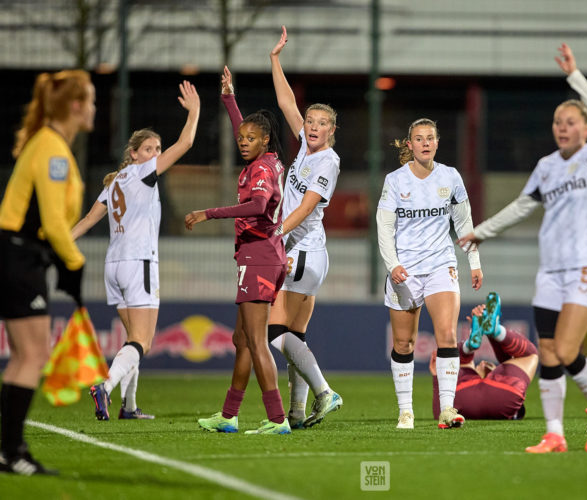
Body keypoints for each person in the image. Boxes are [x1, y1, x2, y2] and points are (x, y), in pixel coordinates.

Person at [457, 43, 587, 452]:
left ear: (584, 129)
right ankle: (555, 434)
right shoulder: (547, 166)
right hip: (551, 271)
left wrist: (575, 77)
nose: (562, 128)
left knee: (566, 349)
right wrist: (482, 231)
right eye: (556, 122)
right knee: (547, 352)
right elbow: (522, 206)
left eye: (570, 122)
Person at [197, 29, 342, 434]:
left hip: (301, 250)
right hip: (298, 250)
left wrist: (275, 232)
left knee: (272, 335)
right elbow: (285, 101)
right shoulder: (301, 149)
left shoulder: (327, 162)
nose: (312, 127)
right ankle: (294, 412)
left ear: (332, 131)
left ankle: (323, 392)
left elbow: (309, 206)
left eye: (321, 123)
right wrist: (274, 59)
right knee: (289, 336)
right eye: (310, 121)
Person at [70, 81, 200, 421]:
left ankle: (129, 408)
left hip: (114, 265)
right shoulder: (143, 174)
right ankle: (105, 386)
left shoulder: (115, 181)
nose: (156, 153)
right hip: (139, 262)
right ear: (134, 154)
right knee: (143, 342)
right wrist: (195, 111)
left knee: (132, 339)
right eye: (149, 149)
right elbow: (186, 142)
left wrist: (62, 241)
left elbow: (87, 220)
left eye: (158, 148)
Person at [0, 69, 95, 475]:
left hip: (21, 255)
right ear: (75, 106)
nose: (94, 108)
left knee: (27, 354)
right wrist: (74, 264)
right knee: (31, 353)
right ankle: (10, 452)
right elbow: (55, 224)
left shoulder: (50, 144)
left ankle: (10, 450)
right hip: (19, 256)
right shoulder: (53, 150)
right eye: (90, 100)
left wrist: (62, 262)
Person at [377, 117, 483, 430]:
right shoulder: (395, 180)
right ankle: (406, 412)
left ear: (437, 143)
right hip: (405, 270)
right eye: (419, 138)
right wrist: (392, 264)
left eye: (430, 138)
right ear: (409, 145)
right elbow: (384, 226)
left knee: (448, 336)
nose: (425, 143)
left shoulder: (450, 177)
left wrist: (474, 261)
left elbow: (464, 223)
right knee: (403, 343)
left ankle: (448, 409)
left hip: (441, 264)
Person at [430, 295, 538, 421]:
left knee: (459, 364)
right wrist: (491, 334)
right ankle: (496, 331)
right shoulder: (502, 379)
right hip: (505, 396)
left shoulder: (466, 377)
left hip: (462, 395)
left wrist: (437, 379)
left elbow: (439, 411)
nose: (483, 362)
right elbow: (508, 361)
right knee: (530, 354)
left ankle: (469, 345)